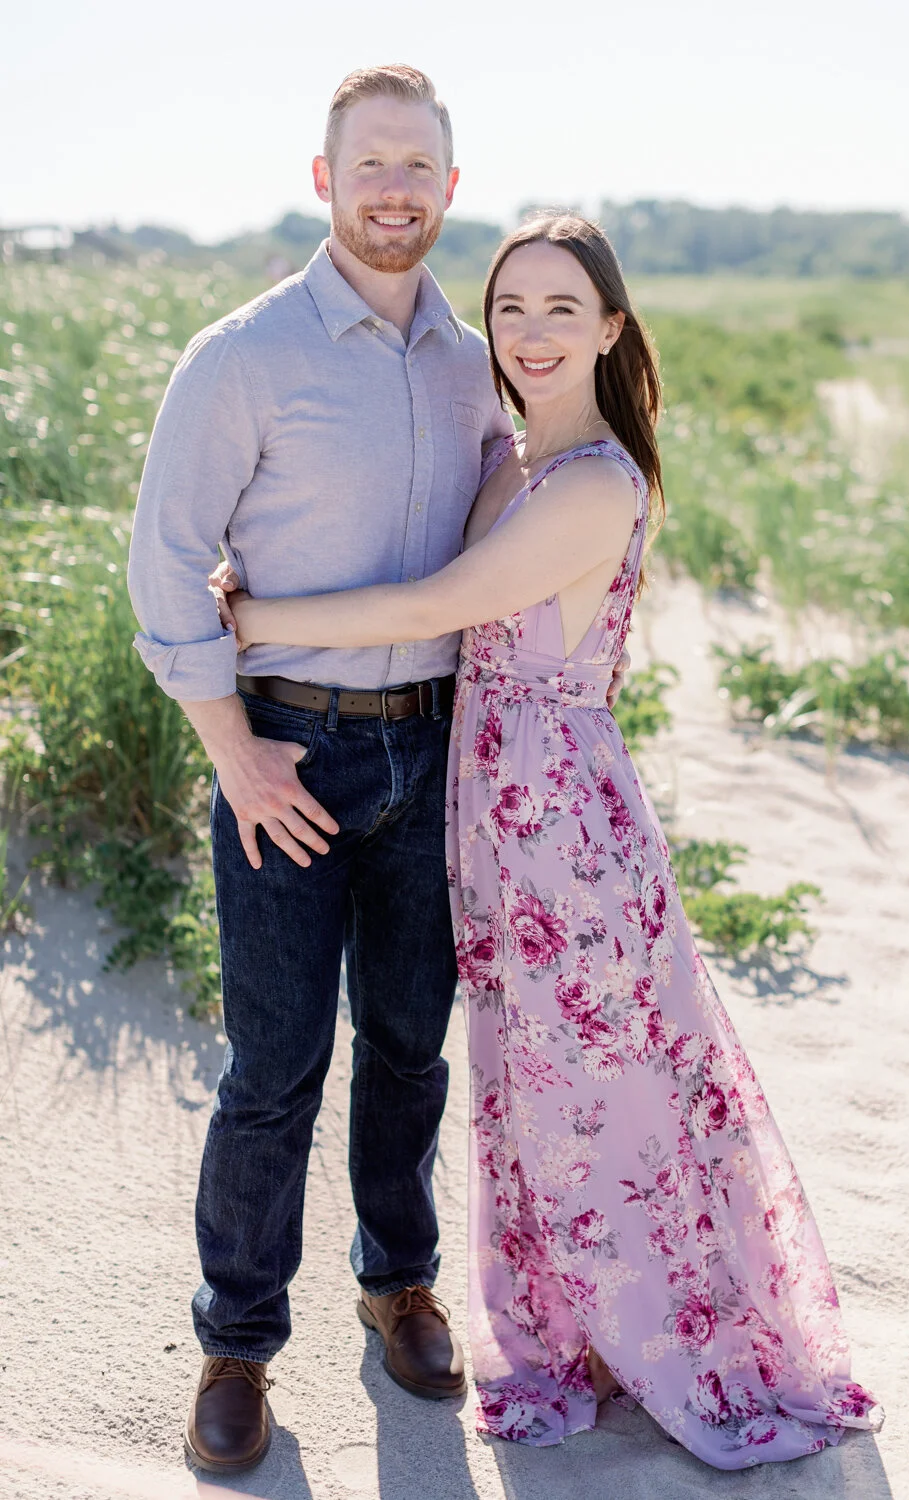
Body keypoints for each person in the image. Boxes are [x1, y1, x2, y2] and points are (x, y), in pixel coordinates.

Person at [215, 213, 884, 1470]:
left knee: (613, 1089)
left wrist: (252, 620)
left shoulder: (596, 484)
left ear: (612, 328)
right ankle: (575, 1327)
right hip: (488, 815)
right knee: (534, 1090)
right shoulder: (514, 463)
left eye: (560, 309)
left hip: (563, 828)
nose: (527, 332)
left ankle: (677, 1333)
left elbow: (429, 604)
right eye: (508, 307)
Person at [129, 65, 631, 1477]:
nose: (396, 189)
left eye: (421, 167)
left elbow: (510, 543)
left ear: (451, 188)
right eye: (371, 167)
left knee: (412, 1046)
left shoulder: (479, 362)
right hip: (287, 749)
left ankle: (398, 1282)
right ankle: (236, 1350)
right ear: (325, 180)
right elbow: (165, 564)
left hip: (441, 753)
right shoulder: (243, 356)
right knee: (274, 1070)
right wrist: (234, 753)